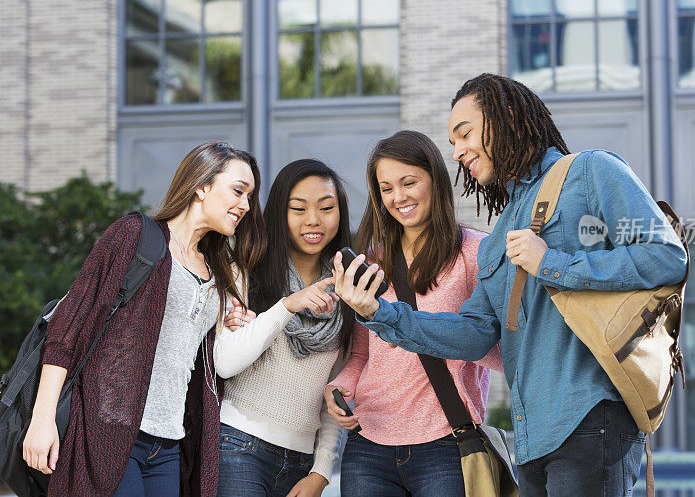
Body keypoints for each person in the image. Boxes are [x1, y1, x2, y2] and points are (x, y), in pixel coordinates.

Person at [333, 73, 689, 496]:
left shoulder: (590, 171)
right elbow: (472, 335)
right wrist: (381, 314)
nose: (458, 152)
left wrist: (552, 263)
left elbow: (666, 256)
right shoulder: (498, 236)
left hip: (591, 417)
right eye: (452, 143)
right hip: (532, 440)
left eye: (465, 134)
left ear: (504, 118)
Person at [22, 141, 267, 496]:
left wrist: (224, 327)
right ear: (201, 185)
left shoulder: (216, 271)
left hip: (169, 445)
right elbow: (70, 326)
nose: (245, 205)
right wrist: (42, 420)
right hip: (109, 431)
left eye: (249, 197)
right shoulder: (134, 236)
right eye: (238, 191)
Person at [323, 131, 502, 496]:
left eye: (409, 183)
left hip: (446, 443)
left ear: (435, 181)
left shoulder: (476, 252)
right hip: (368, 447)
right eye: (386, 188)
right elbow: (363, 353)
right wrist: (340, 386)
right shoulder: (372, 261)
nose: (398, 197)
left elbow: (494, 349)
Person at [214, 159, 354, 497]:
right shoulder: (246, 272)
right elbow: (225, 362)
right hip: (237, 447)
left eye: (326, 207)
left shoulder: (348, 291)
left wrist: (320, 473)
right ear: (279, 213)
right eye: (298, 208)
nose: (313, 220)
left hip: (301, 463)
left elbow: (335, 397)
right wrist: (288, 305)